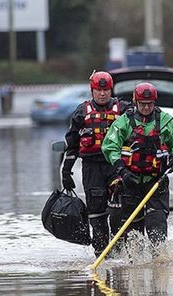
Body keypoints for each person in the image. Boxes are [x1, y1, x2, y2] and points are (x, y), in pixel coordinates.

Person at [101, 82, 173, 247]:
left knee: (157, 224)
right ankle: (135, 265)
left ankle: (158, 263)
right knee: (133, 232)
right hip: (130, 182)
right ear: (135, 102)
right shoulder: (123, 122)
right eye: (142, 104)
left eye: (150, 104)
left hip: (157, 182)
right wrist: (122, 171)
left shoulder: (166, 121)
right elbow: (110, 147)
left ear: (155, 103)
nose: (146, 108)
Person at [61, 71, 131, 257]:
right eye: (98, 90)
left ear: (111, 90)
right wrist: (66, 172)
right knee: (96, 211)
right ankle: (102, 253)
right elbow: (72, 145)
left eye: (106, 90)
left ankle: (120, 251)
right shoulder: (81, 113)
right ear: (92, 91)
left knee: (118, 209)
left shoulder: (124, 109)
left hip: (117, 166)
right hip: (92, 168)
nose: (102, 94)